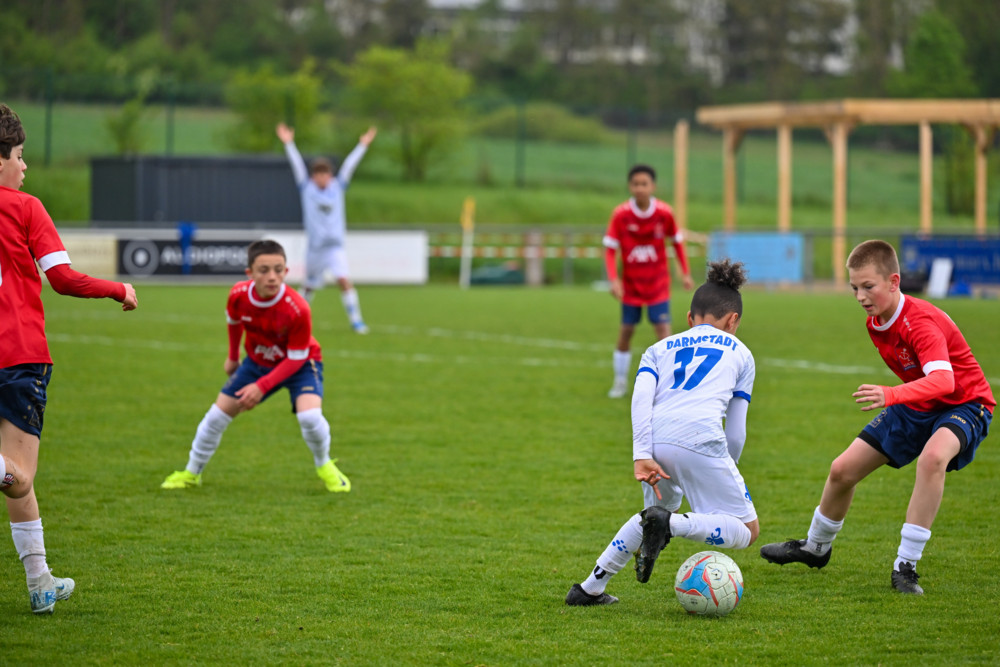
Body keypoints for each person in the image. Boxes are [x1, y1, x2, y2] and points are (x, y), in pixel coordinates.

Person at [759, 240, 994, 595]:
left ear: (894, 282)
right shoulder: (876, 321)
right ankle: (816, 548)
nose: (860, 296)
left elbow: (944, 381)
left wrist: (891, 394)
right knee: (842, 470)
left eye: (868, 286)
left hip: (965, 403)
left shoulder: (921, 323)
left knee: (932, 459)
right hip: (920, 402)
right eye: (854, 287)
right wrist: (900, 397)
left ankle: (906, 566)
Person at [0, 103, 138, 614]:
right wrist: (118, 287)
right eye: (19, 155)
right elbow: (62, 279)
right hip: (17, 355)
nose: (24, 166)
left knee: (13, 483)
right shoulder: (25, 207)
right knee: (20, 475)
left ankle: (40, 583)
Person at [566, 259, 758, 606]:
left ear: (689, 318)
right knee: (745, 530)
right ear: (734, 321)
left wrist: (642, 452)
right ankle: (671, 525)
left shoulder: (658, 349)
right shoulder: (742, 354)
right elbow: (736, 431)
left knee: (654, 512)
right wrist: (726, 466)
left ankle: (589, 587)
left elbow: (641, 400)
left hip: (655, 441)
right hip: (702, 439)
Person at [161, 239, 351, 494]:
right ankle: (191, 473)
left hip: (302, 363)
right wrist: (232, 356)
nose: (272, 277)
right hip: (257, 362)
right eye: (264, 270)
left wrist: (261, 386)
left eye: (279, 269)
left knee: (310, 417)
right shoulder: (238, 295)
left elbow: (296, 357)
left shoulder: (298, 308)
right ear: (249, 273)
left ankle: (324, 464)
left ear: (286, 271)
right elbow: (234, 320)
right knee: (215, 417)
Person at [603, 164, 693, 399]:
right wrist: (614, 279)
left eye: (645, 184)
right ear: (630, 186)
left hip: (657, 285)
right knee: (626, 331)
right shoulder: (621, 215)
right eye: (636, 184)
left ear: (653, 186)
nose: (640, 188)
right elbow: (610, 249)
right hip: (631, 286)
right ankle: (620, 381)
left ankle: (670, 385)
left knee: (664, 333)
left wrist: (685, 273)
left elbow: (677, 243)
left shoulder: (664, 213)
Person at [276, 122, 376, 333]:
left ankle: (356, 320)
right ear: (314, 176)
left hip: (334, 246)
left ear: (330, 175)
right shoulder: (307, 188)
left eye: (326, 174)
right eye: (319, 175)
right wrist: (289, 144)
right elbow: (296, 166)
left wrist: (362, 146)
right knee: (309, 286)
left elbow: (349, 166)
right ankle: (294, 321)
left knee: (343, 280)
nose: (322, 178)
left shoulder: (338, 187)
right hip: (315, 248)